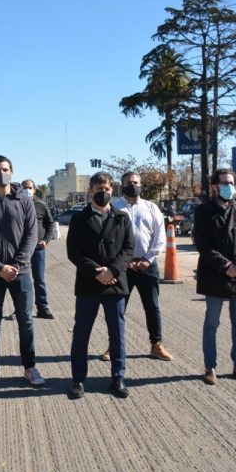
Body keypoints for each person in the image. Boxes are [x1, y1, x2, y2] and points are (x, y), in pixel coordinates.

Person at [0, 155, 44, 387]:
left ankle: (29, 367)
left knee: (26, 320)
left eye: (5, 169)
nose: (1, 172)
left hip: (21, 273)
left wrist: (16, 264)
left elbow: (31, 235)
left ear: (12, 172)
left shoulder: (24, 202)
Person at [66, 172, 134, 399]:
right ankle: (77, 379)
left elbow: (128, 249)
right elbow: (74, 252)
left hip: (115, 283)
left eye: (106, 188)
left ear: (112, 189)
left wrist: (112, 270)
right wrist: (98, 271)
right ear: (90, 191)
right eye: (98, 189)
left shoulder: (122, 217)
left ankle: (118, 378)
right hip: (89, 283)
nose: (102, 192)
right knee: (81, 333)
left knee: (117, 334)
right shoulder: (78, 218)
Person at [193, 169, 236, 386]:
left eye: (231, 182)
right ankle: (210, 367)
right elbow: (202, 244)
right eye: (224, 183)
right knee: (212, 323)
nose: (229, 186)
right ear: (214, 186)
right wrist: (225, 265)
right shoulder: (203, 211)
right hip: (215, 275)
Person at [101, 171, 173, 362]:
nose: (132, 185)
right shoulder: (114, 207)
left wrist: (148, 259)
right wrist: (122, 262)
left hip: (147, 266)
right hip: (122, 268)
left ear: (140, 184)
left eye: (135, 182)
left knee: (152, 306)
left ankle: (156, 345)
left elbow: (160, 237)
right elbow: (109, 239)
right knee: (117, 309)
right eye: (128, 182)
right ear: (121, 186)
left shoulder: (151, 207)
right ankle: (113, 346)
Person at [13, 179, 54, 319]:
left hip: (38, 249)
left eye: (30, 187)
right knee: (19, 280)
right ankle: (19, 309)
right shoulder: (16, 204)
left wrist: (46, 240)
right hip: (20, 250)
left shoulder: (41, 206)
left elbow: (50, 224)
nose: (27, 190)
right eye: (24, 187)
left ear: (35, 189)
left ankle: (42, 307)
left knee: (39, 279)